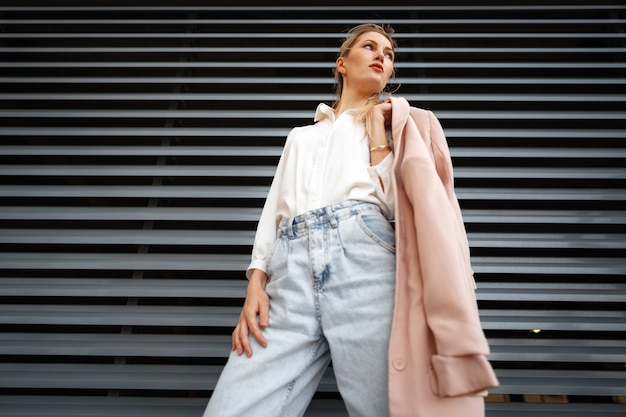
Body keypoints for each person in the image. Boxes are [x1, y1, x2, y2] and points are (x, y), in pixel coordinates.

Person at [204, 23, 498, 417]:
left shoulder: (397, 125)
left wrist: (380, 139)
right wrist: (256, 281)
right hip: (289, 272)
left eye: (390, 54)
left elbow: (401, 211)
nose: (382, 56)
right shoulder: (300, 137)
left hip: (364, 257)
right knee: (233, 407)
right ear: (342, 63)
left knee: (393, 406)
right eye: (371, 47)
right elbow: (274, 211)